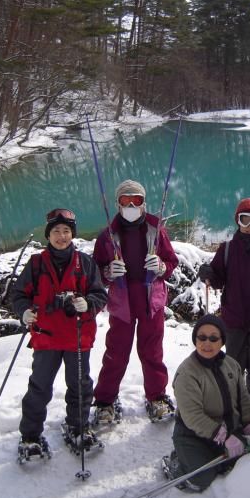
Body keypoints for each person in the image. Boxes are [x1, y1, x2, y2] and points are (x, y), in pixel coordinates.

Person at [10, 208, 108, 460]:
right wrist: (24, 312)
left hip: (77, 337)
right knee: (40, 387)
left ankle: (78, 426)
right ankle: (30, 436)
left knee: (80, 385)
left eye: (66, 231)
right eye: (56, 231)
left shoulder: (85, 263)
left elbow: (100, 294)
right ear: (48, 235)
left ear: (72, 234)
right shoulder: (36, 264)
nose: (61, 236)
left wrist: (89, 303)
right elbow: (19, 294)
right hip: (47, 337)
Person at [91, 179, 179, 424]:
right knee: (116, 353)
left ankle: (157, 397)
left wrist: (161, 266)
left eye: (136, 200)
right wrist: (108, 272)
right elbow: (95, 271)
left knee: (152, 352)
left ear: (143, 203)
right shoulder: (107, 235)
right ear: (118, 204)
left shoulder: (156, 229)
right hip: (122, 303)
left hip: (151, 302)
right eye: (125, 200)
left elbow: (171, 262)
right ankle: (105, 401)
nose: (131, 205)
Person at [196, 198, 250, 417]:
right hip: (234, 319)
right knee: (233, 366)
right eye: (245, 219)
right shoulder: (227, 250)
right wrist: (208, 274)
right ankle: (233, 405)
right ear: (238, 222)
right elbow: (217, 279)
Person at [162, 314, 250, 492]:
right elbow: (192, 416)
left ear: (222, 341)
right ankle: (178, 463)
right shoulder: (187, 373)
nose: (207, 343)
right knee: (201, 480)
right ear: (195, 340)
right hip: (194, 435)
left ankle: (213, 458)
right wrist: (222, 436)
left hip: (228, 430)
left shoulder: (232, 365)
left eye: (214, 338)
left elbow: (243, 398)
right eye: (201, 337)